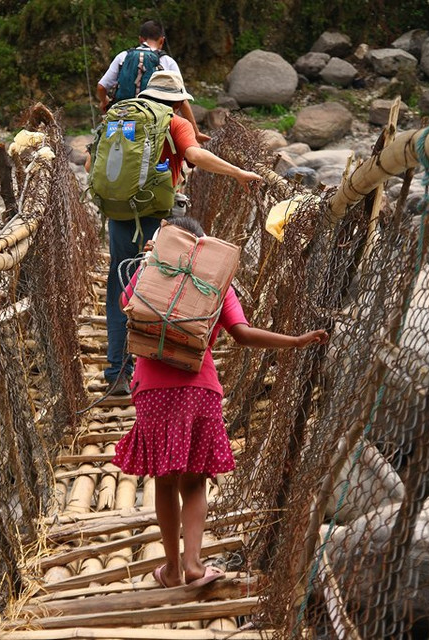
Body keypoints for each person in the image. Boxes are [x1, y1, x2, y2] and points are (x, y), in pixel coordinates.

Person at [113, 215, 330, 588]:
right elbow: (242, 334)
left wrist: (151, 264)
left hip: (153, 389)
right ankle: (195, 564)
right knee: (195, 482)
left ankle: (172, 570)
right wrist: (294, 342)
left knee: (165, 481)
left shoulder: (153, 273)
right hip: (201, 389)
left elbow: (126, 305)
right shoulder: (216, 283)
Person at [92, 70, 262, 395]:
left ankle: (117, 372)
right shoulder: (174, 122)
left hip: (120, 215)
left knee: (123, 285)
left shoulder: (119, 119)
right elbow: (195, 155)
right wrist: (237, 171)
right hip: (161, 218)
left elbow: (92, 167)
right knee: (166, 288)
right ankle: (163, 368)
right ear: (175, 100)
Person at [96, 20, 209, 142]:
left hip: (121, 119)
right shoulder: (167, 61)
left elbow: (101, 87)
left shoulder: (123, 56)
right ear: (162, 40)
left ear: (140, 39)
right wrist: (196, 132)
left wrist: (104, 101)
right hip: (154, 124)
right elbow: (182, 100)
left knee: (96, 149)